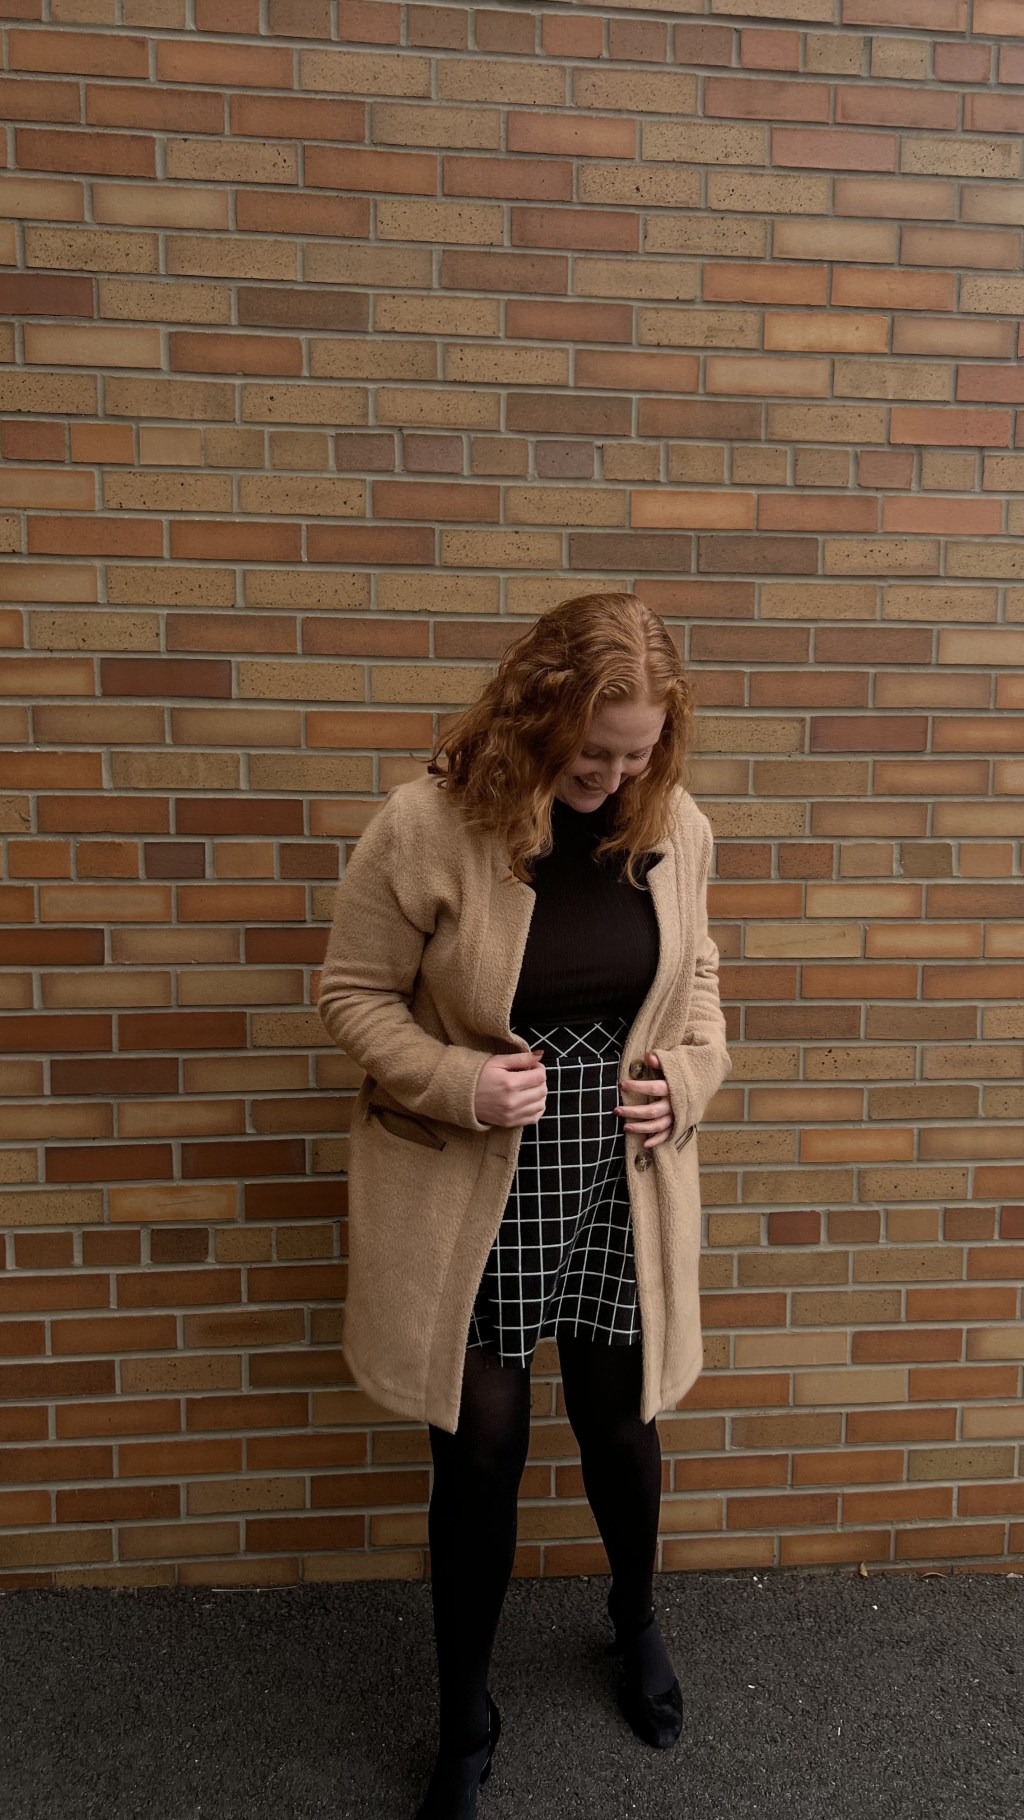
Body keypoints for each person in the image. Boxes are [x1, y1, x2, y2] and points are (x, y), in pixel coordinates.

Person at [317, 591, 732, 1820]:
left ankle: (632, 1620)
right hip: (477, 1174)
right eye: (589, 752)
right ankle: (463, 1711)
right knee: (482, 1445)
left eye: (636, 752)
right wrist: (458, 1079)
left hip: (620, 1169)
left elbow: (700, 987)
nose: (612, 775)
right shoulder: (425, 825)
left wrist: (687, 1083)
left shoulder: (676, 826)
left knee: (619, 1417)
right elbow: (349, 992)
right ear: (537, 714)